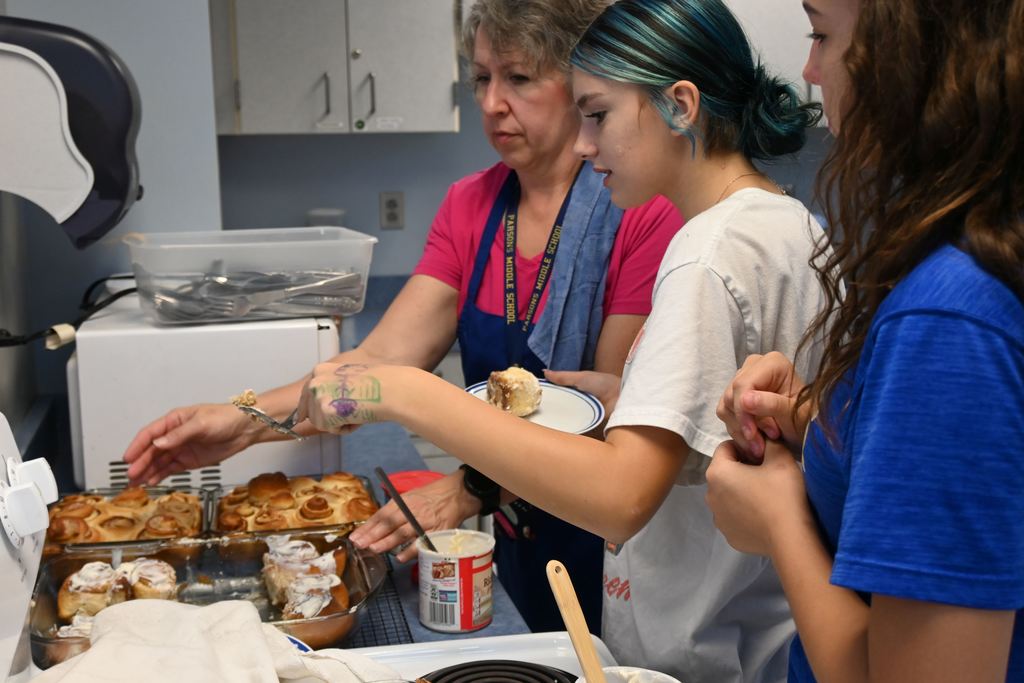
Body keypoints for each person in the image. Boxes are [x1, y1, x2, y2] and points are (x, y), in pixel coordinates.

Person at [296, 1, 827, 680]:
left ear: (681, 105)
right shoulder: (788, 222)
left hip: (706, 654)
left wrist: (409, 395)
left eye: (598, 115)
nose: (582, 144)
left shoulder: (703, 253)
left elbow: (620, 495)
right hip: (768, 635)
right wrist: (632, 397)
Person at [122, 0, 682, 635]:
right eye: (481, 78)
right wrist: (244, 420)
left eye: (519, 78)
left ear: (578, 83)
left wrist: (469, 488)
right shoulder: (471, 205)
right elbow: (380, 363)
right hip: (514, 534)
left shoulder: (640, 212)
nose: (493, 103)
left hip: (609, 546)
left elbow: (602, 423)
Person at [706, 0, 1024, 681]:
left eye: (822, 34)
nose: (809, 69)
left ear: (918, 48)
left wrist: (779, 519)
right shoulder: (992, 250)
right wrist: (825, 427)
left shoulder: (949, 319)